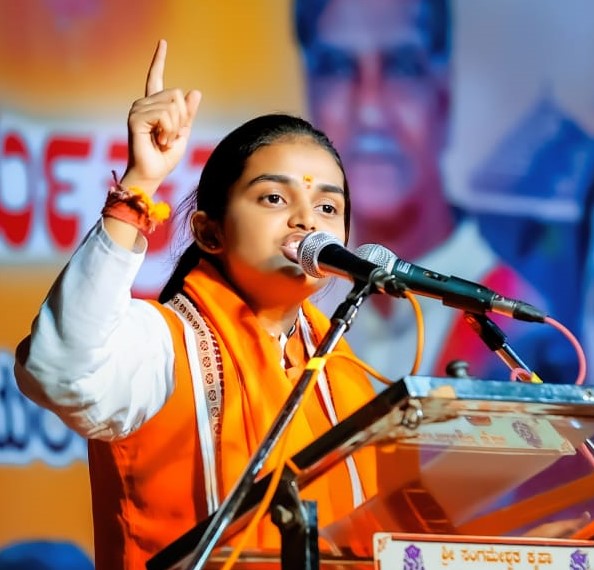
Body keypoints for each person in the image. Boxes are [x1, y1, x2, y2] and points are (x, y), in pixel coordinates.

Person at [13, 40, 378, 569]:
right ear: (209, 232)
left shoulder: (344, 373)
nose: (307, 221)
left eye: (327, 206)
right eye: (274, 198)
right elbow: (58, 370)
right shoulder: (161, 343)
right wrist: (140, 186)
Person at [294, 0, 554, 383]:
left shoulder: (524, 332)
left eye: (401, 68)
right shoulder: (296, 303)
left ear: (443, 97)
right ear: (309, 95)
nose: (369, 110)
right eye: (337, 68)